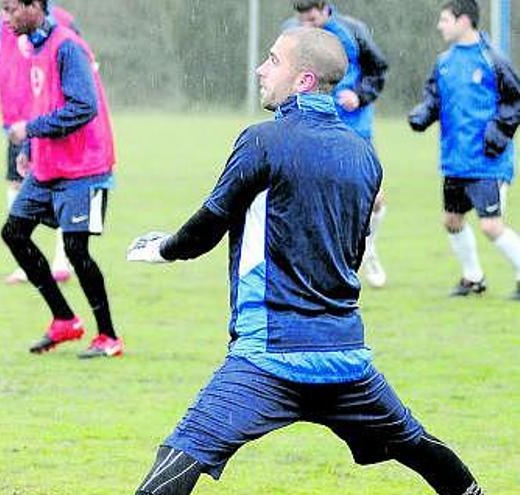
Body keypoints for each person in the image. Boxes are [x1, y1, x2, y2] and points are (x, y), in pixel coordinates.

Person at [127, 27, 484, 495]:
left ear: (304, 81)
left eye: (273, 60)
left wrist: (161, 247)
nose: (261, 68)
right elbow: (353, 254)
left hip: (269, 356)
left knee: (182, 454)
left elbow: (207, 228)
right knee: (416, 444)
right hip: (345, 359)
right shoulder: (365, 157)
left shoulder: (261, 141)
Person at [0, 0, 122, 359]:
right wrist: (32, 149)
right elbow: (47, 103)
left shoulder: (67, 45)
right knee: (14, 233)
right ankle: (64, 319)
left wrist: (31, 129)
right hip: (48, 165)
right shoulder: (35, 45)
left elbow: (84, 106)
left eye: (10, 9)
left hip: (84, 167)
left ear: (35, 6)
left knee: (76, 250)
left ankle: (109, 337)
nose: (5, 19)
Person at [409, 0, 520, 300]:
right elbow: (434, 97)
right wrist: (422, 114)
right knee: (452, 221)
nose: (439, 25)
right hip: (455, 160)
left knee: (491, 226)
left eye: (445, 19)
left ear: (464, 21)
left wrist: (498, 133)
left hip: (487, 161)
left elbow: (515, 100)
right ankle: (473, 278)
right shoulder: (444, 61)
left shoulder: (491, 58)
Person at [0, 0, 78, 285]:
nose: (7, 14)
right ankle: (27, 261)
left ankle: (64, 260)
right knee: (17, 184)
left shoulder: (62, 22)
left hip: (51, 120)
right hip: (17, 123)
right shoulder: (0, 24)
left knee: (61, 186)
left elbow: (79, 65)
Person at [288, 0, 390, 288]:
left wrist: (359, 95)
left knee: (376, 200)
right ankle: (318, 266)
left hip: (354, 128)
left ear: (324, 8)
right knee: (312, 196)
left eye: (311, 19)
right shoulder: (292, 33)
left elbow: (378, 70)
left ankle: (368, 250)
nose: (306, 25)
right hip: (311, 127)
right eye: (301, 20)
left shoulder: (352, 31)